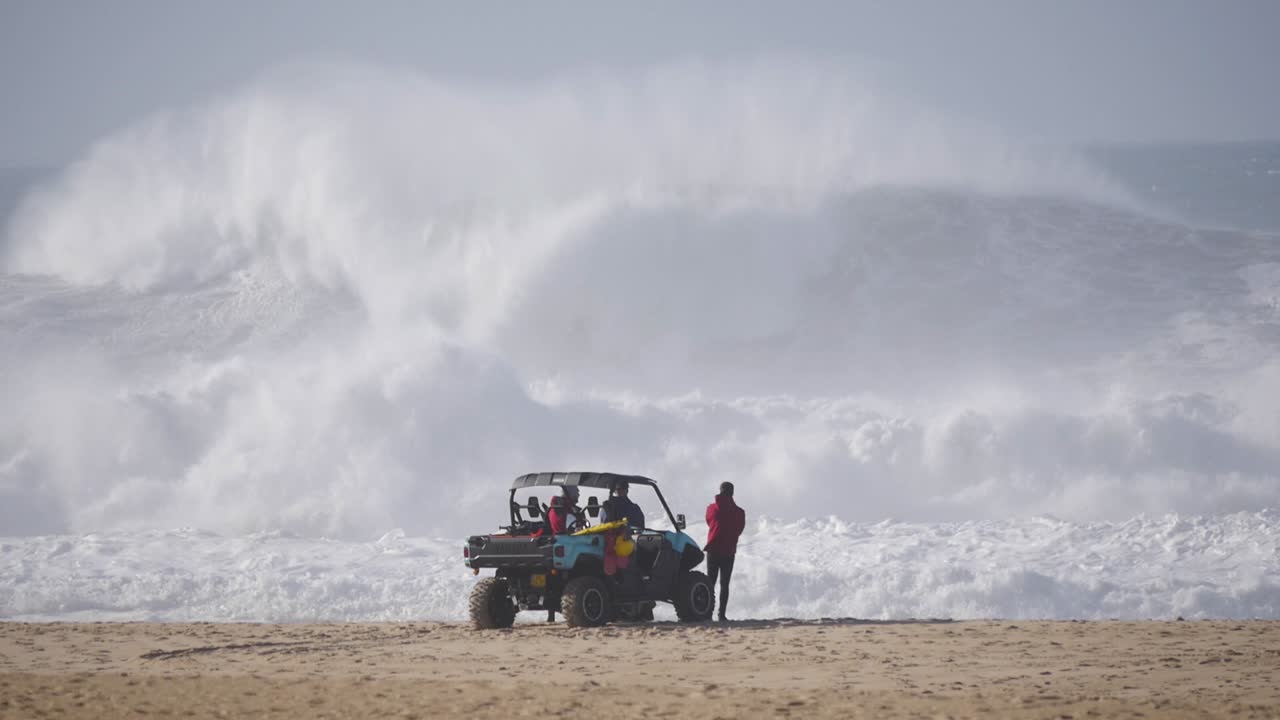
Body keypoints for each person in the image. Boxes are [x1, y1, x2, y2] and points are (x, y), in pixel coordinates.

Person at [704, 481, 745, 622]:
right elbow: (739, 530)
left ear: (720, 491)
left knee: (710, 583)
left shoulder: (711, 509)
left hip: (713, 549)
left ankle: (707, 613)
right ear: (732, 493)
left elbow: (709, 522)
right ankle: (721, 615)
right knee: (724, 584)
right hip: (728, 550)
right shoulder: (739, 512)